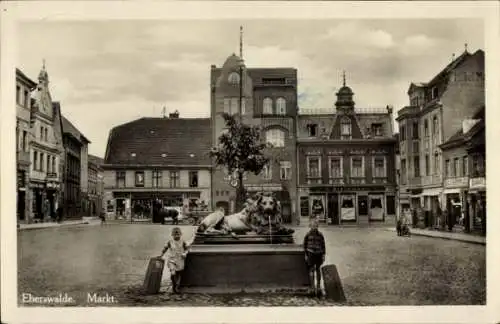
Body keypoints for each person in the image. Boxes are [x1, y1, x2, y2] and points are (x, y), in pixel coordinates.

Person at [160, 227, 191, 294]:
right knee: (173, 273)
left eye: (178, 234)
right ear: (172, 235)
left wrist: (185, 253)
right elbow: (165, 248)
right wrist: (161, 255)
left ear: (180, 234)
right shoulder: (170, 242)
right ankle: (174, 285)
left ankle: (177, 286)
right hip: (172, 260)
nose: (176, 236)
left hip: (180, 260)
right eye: (175, 235)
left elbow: (188, 249)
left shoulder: (183, 242)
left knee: (179, 273)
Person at [303, 218, 326, 297]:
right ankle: (312, 287)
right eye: (313, 226)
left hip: (319, 253)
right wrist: (306, 255)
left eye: (316, 225)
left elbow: (323, 245)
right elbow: (305, 245)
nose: (314, 227)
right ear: (310, 226)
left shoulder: (320, 235)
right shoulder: (307, 235)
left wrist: (323, 255)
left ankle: (318, 286)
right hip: (310, 253)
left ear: (318, 226)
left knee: (318, 269)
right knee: (311, 269)